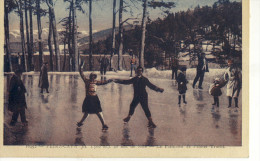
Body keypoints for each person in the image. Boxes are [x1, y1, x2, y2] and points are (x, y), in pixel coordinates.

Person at [77, 61, 113, 130]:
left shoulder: (96, 82)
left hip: (94, 98)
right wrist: (81, 67)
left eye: (94, 76)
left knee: (98, 112)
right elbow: (81, 74)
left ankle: (104, 124)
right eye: (92, 76)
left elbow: (103, 82)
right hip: (88, 98)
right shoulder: (86, 81)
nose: (93, 78)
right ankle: (80, 122)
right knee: (87, 113)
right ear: (90, 76)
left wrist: (109, 80)